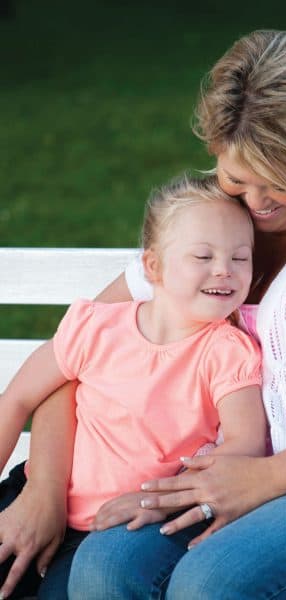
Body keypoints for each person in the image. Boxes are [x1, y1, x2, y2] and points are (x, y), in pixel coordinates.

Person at [0, 26, 286, 600]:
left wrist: (265, 478)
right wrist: (45, 485)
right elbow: (79, 348)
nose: (256, 205)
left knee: (213, 581)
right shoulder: (212, 226)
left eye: (282, 179)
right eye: (236, 177)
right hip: (230, 471)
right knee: (106, 565)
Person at [0, 175, 266, 598]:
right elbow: (15, 400)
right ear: (153, 267)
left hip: (121, 527)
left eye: (241, 258)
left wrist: (157, 501)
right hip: (34, 494)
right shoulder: (96, 326)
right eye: (203, 255)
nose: (225, 270)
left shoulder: (226, 350)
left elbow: (246, 441)